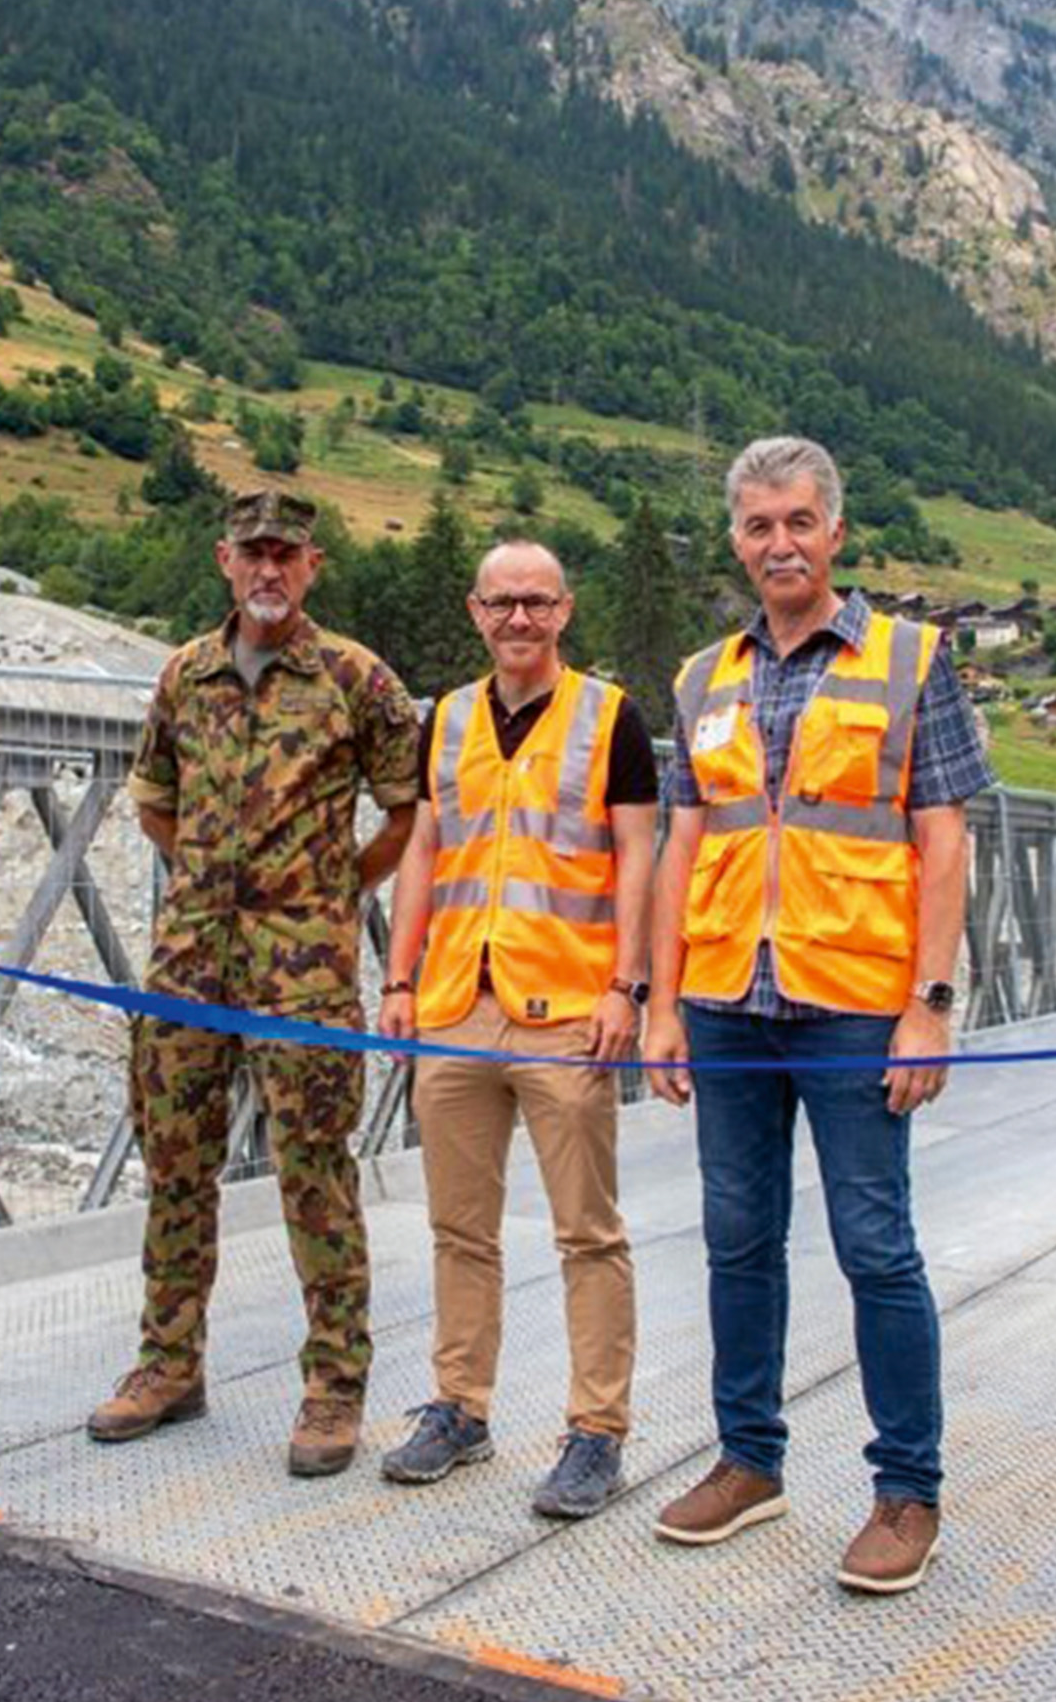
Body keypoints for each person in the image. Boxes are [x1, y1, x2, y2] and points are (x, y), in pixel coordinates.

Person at [637, 435, 991, 1596]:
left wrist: (928, 1005)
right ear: (736, 539)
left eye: (798, 522)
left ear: (835, 531)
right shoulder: (704, 679)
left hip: (854, 1007)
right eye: (757, 525)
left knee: (874, 1247)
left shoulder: (910, 659)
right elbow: (685, 848)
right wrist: (660, 1005)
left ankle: (906, 1492)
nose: (778, 543)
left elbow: (946, 839)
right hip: (729, 1003)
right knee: (738, 1240)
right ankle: (749, 1462)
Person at [89, 488, 424, 1478]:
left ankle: (333, 1386)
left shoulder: (357, 679)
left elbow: (404, 813)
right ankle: (168, 1363)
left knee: (315, 1174)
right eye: (252, 554)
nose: (269, 570)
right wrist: (208, 879)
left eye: (287, 554)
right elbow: (155, 802)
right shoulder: (185, 675)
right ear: (224, 562)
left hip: (303, 973)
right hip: (189, 965)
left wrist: (327, 893)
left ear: (312, 565)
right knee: (175, 1169)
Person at [374, 541, 659, 1519]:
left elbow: (637, 858)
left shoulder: (610, 716)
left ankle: (596, 1430)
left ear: (565, 611)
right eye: (502, 603)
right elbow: (422, 849)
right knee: (459, 1228)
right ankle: (460, 1406)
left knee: (587, 1231)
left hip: (570, 1012)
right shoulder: (445, 719)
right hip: (457, 1004)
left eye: (537, 602)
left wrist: (630, 986)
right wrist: (400, 977)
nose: (520, 620)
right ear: (475, 610)